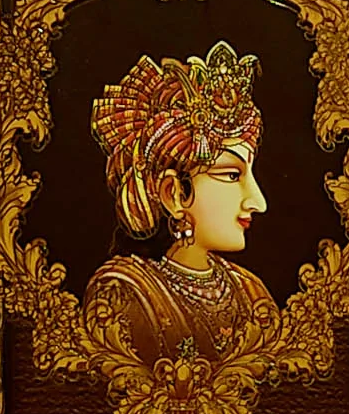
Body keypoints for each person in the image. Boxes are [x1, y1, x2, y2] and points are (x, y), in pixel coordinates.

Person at [83, 40, 276, 365]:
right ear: (173, 194)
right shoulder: (123, 295)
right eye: (231, 175)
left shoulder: (250, 291)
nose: (258, 201)